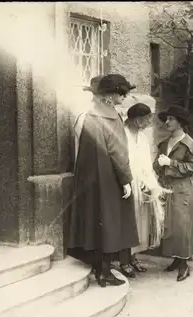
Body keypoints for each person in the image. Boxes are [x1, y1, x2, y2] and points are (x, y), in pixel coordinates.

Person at [67, 74, 139, 287]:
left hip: (89, 178)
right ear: (110, 95)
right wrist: (126, 178)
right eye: (121, 93)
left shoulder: (88, 115)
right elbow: (117, 151)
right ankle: (105, 271)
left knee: (95, 222)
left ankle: (100, 269)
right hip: (109, 177)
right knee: (110, 223)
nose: (124, 98)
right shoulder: (111, 116)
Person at [154, 105, 193, 282]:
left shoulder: (189, 144)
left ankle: (183, 265)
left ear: (180, 122)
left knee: (182, 224)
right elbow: (157, 165)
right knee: (170, 224)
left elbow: (191, 167)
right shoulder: (165, 143)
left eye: (171, 119)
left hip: (182, 189)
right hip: (167, 187)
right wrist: (158, 165)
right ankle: (176, 259)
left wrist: (171, 163)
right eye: (167, 119)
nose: (167, 122)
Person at [123, 103, 171, 275]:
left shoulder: (142, 138)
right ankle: (123, 260)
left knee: (139, 222)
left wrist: (150, 183)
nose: (149, 123)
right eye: (146, 119)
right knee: (126, 221)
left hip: (141, 183)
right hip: (126, 183)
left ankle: (133, 257)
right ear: (136, 120)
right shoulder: (122, 134)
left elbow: (145, 163)